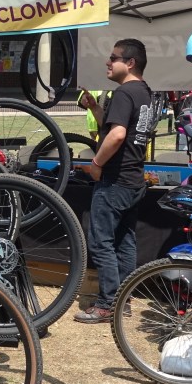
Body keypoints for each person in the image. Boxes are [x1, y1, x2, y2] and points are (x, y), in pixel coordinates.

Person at [74, 39, 155, 323]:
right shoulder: (144, 93)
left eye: (113, 57)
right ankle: (124, 299)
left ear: (130, 62)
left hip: (115, 180)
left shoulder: (124, 92)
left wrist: (96, 165)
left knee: (102, 242)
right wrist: (96, 108)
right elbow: (116, 127)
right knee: (125, 242)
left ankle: (108, 304)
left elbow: (118, 135)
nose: (108, 62)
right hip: (133, 179)